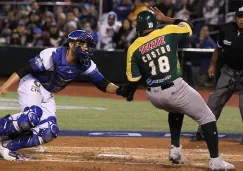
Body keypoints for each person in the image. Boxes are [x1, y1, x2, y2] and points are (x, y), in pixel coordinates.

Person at [121, 7, 235, 170]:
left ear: (138, 28)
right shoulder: (167, 32)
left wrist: (129, 92)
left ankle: (175, 149)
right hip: (175, 89)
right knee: (208, 117)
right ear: (155, 23)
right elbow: (188, 26)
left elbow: (133, 80)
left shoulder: (133, 47)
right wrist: (166, 19)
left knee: (176, 109)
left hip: (154, 96)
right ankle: (215, 160)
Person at [0, 30, 125, 161]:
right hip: (33, 83)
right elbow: (24, 69)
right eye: (81, 43)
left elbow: (102, 83)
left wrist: (120, 90)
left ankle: (5, 146)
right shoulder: (52, 55)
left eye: (87, 45)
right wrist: (5, 85)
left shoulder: (85, 64)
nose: (85, 47)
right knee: (32, 117)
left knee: (49, 131)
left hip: (48, 93)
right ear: (71, 44)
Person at [191, 6, 243, 144]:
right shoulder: (226, 29)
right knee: (214, 101)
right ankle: (203, 132)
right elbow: (218, 49)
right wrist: (213, 64)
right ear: (235, 18)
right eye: (240, 16)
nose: (242, 19)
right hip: (228, 71)